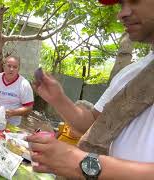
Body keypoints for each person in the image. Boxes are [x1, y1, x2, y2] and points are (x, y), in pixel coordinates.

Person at [26, 0, 154, 179]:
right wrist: (58, 99)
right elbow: (93, 126)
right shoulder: (130, 74)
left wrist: (84, 165)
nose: (121, 14)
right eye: (120, 4)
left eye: (134, 0)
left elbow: (85, 164)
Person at [0, 55, 34, 132]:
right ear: (4, 66)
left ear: (18, 69)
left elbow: (29, 108)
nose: (11, 69)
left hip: (12, 126)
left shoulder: (24, 84)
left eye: (15, 67)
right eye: (9, 66)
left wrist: (13, 113)